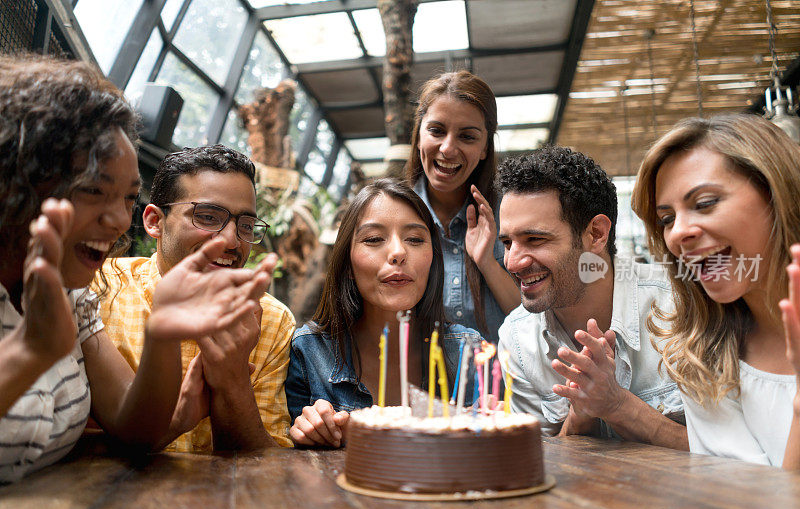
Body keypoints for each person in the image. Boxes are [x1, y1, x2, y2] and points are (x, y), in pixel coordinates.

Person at [0, 55, 269, 483]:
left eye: (126, 198)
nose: (118, 220)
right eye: (93, 191)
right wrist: (29, 352)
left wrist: (162, 331)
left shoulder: (74, 299)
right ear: (17, 185)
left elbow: (134, 429)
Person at [97, 145, 295, 451]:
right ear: (155, 222)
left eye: (245, 226)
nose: (231, 241)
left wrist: (232, 381)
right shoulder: (101, 288)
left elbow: (266, 467)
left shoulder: (271, 320)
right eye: (207, 217)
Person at [631, 114, 800, 467]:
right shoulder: (700, 359)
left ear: (777, 194)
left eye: (704, 203)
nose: (677, 233)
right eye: (666, 219)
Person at [496, 146, 687, 449]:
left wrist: (617, 406)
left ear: (596, 234)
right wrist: (580, 415)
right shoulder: (517, 340)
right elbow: (537, 463)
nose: (512, 262)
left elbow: (735, 453)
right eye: (507, 242)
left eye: (534, 239)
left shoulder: (682, 306)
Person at [286, 179, 480, 448]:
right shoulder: (308, 351)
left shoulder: (467, 351)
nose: (398, 252)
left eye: (414, 239)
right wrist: (308, 431)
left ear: (434, 257)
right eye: (374, 239)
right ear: (348, 261)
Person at [404, 70, 519, 342]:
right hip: (417, 382)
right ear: (419, 135)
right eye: (436, 131)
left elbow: (533, 324)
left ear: (484, 149)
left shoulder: (511, 217)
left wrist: (486, 263)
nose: (447, 148)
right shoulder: (392, 215)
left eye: (467, 136)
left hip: (496, 383)